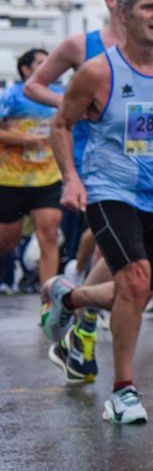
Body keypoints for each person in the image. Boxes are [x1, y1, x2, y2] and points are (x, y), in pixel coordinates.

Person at [39, 0, 153, 423]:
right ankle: (123, 392)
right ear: (124, 14)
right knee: (135, 280)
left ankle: (69, 298)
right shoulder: (98, 71)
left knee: (138, 291)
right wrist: (71, 179)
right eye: (149, 7)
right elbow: (61, 124)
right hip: (109, 189)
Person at [25, 0, 139, 274]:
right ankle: (88, 291)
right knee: (111, 238)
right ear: (113, 1)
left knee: (122, 238)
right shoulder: (81, 45)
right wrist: (70, 104)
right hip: (90, 156)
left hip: (137, 156)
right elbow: (33, 86)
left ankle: (79, 283)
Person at [0, 49, 64, 298]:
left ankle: (48, 302)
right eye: (41, 63)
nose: (49, 66)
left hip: (47, 179)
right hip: (11, 179)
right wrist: (23, 139)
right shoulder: (11, 96)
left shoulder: (59, 96)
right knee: (8, 241)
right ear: (26, 69)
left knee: (49, 236)